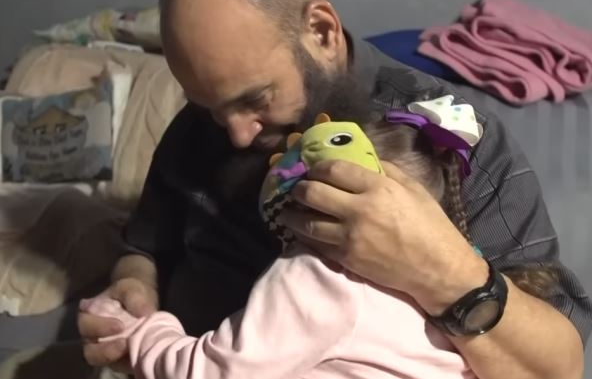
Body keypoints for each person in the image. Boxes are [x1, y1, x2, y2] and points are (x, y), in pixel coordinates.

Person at [78, 0, 591, 378]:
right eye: (211, 107)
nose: (235, 133)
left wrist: (440, 269)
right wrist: (133, 289)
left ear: (321, 31)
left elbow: (559, 368)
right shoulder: (198, 129)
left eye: (255, 99)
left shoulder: (449, 138)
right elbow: (145, 247)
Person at [82, 108, 558, 379]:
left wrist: (142, 332)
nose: (239, 132)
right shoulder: (448, 300)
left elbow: (211, 372)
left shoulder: (319, 276)